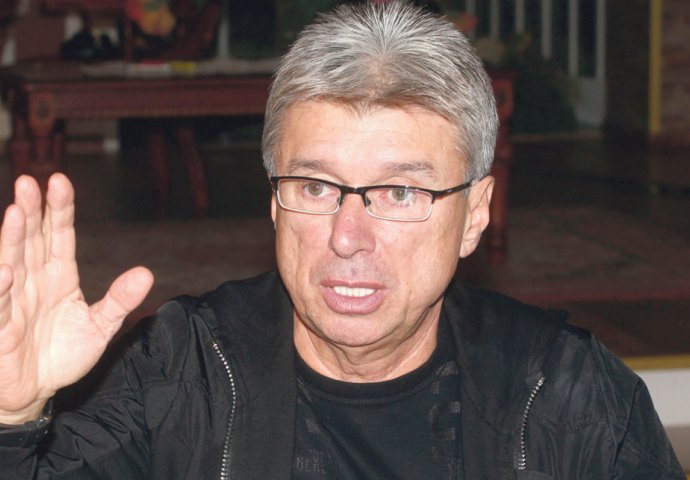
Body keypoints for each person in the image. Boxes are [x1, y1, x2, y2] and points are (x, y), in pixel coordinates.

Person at [0, 1, 684, 479]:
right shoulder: (183, 370)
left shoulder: (566, 394)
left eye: (400, 193)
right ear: (274, 202)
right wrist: (12, 415)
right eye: (315, 186)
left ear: (476, 214)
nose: (347, 237)